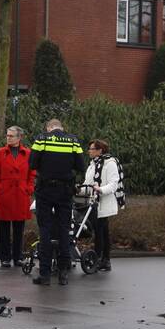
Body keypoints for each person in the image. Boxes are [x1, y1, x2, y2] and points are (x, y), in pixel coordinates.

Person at [29, 118, 84, 285]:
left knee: (45, 230)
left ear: (48, 128)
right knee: (64, 230)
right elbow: (81, 166)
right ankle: (63, 273)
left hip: (45, 190)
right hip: (65, 191)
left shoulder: (41, 139)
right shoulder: (73, 141)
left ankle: (45, 274)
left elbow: (32, 163)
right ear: (62, 127)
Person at [0, 126, 36, 268]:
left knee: (18, 228)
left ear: (19, 137)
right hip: (4, 194)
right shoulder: (0, 153)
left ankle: (17, 257)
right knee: (2, 228)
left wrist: (29, 188)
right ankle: (4, 258)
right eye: (7, 135)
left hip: (21, 194)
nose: (8, 137)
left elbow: (32, 173)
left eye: (11, 136)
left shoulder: (28, 153)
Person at [84, 139, 120, 272]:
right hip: (93, 203)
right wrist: (79, 189)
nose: (89, 151)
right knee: (100, 232)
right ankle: (102, 259)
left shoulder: (109, 163)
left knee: (101, 232)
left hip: (104, 203)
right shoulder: (92, 165)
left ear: (100, 151)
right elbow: (88, 183)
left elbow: (113, 183)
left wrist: (100, 189)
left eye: (92, 149)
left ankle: (102, 259)